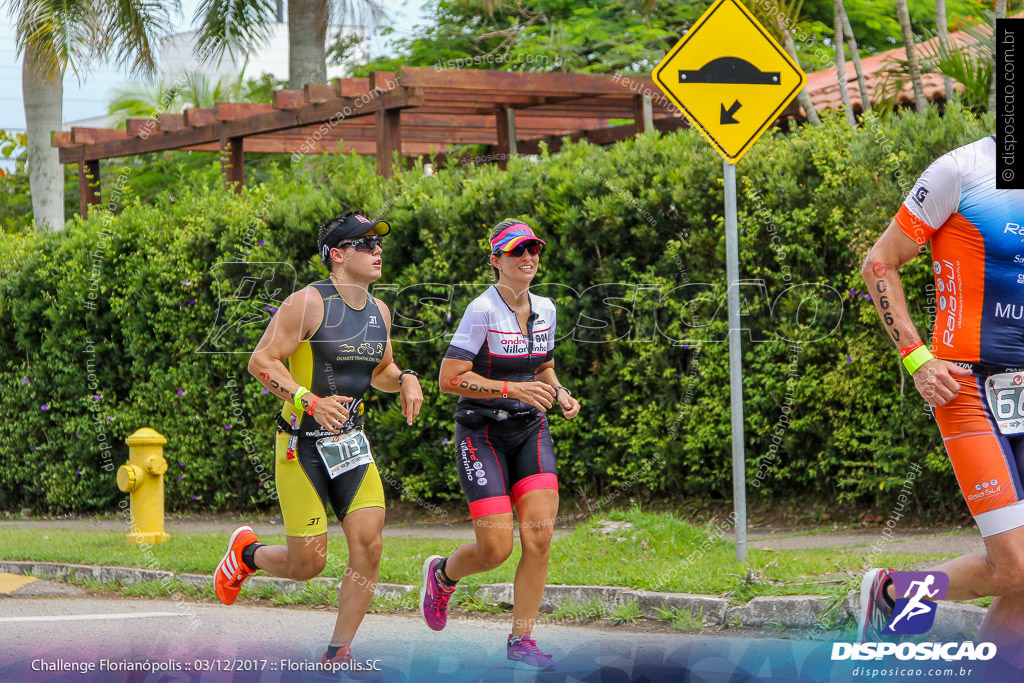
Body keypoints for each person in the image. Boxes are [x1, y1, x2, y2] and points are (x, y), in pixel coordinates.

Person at [214, 212, 423, 672]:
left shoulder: (379, 311)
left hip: (351, 445)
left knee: (368, 545)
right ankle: (245, 554)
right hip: (301, 447)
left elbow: (381, 371)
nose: (377, 250)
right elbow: (262, 362)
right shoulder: (307, 303)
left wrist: (405, 377)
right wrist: (310, 400)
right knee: (308, 564)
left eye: (378, 243)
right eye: (366, 244)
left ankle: (338, 650)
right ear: (338, 254)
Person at [859, 136, 1024, 656]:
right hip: (967, 386)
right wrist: (917, 357)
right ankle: (891, 595)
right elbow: (879, 264)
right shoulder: (963, 169)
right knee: (1014, 562)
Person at [419, 219, 581, 670]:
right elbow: (449, 380)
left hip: (530, 429)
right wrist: (513, 391)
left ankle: (522, 640)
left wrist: (560, 391)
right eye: (516, 252)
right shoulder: (481, 310)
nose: (528, 258)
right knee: (495, 550)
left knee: (540, 537)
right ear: (495, 261)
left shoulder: (547, 307)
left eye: (533, 250)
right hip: (481, 432)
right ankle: (442, 574)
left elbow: (542, 364)